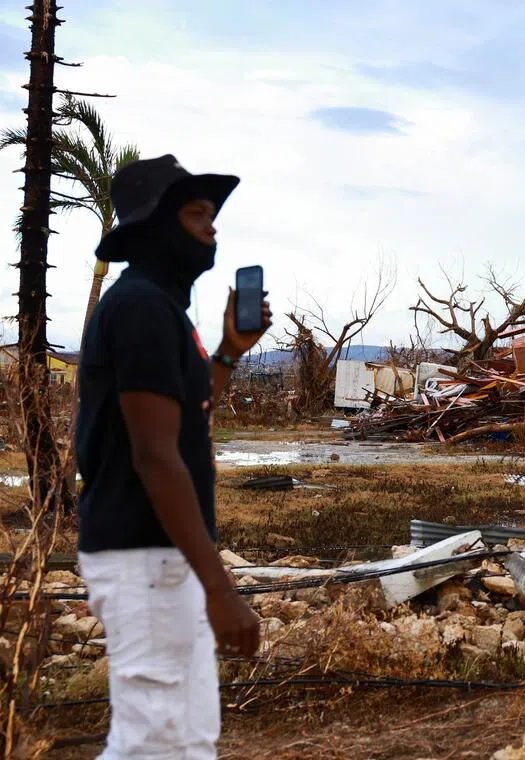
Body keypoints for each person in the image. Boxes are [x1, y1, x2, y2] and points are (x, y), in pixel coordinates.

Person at [76, 154, 270, 759]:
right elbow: (155, 456)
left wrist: (230, 352)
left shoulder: (162, 311)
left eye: (212, 216)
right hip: (144, 555)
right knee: (154, 741)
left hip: (163, 556)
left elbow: (189, 411)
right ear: (155, 227)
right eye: (195, 214)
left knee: (187, 739)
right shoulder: (139, 309)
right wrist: (220, 587)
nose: (211, 228)